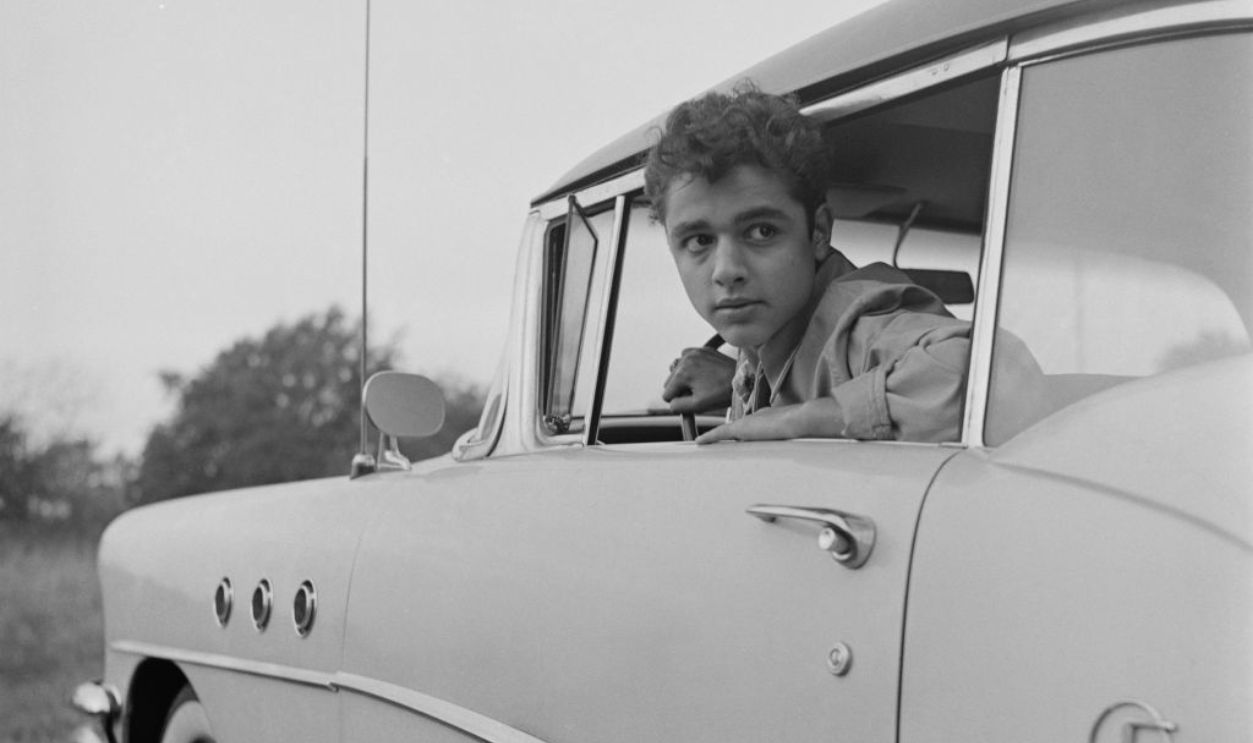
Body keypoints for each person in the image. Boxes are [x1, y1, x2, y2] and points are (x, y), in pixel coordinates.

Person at [645, 84, 971, 444]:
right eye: (699, 241)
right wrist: (741, 385)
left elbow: (987, 379)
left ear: (817, 232)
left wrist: (791, 420)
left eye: (761, 231)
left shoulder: (861, 330)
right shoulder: (770, 335)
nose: (726, 271)